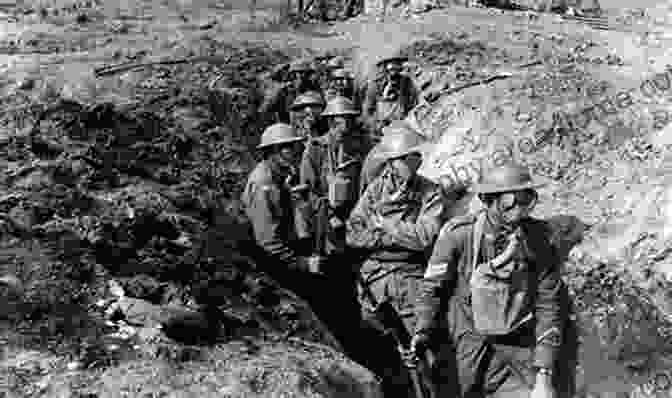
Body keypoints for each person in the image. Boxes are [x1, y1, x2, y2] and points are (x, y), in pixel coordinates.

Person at [410, 162, 566, 398]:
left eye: (527, 198)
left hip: (516, 340)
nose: (520, 208)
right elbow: (432, 288)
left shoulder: (538, 240)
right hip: (465, 338)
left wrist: (544, 373)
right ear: (488, 200)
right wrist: (422, 331)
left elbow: (549, 305)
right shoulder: (459, 234)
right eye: (510, 200)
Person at [345, 128, 452, 398]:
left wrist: (387, 225)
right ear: (391, 161)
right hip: (376, 277)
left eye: (415, 157)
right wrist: (391, 236)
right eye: (405, 158)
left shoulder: (430, 192)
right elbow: (353, 234)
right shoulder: (375, 190)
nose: (412, 162)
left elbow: (424, 237)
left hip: (411, 277)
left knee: (426, 352)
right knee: (379, 349)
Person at [298, 95, 368, 358]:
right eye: (340, 123)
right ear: (329, 122)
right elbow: (307, 193)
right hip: (323, 225)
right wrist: (328, 216)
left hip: (352, 223)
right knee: (329, 279)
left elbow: (364, 187)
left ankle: (359, 329)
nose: (345, 128)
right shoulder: (314, 150)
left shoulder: (357, 149)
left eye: (349, 122)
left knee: (352, 275)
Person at [241, 123, 321, 286]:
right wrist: (304, 264)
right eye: (287, 147)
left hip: (284, 255)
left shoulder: (278, 176)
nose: (294, 152)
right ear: (273, 152)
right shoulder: (264, 184)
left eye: (294, 146)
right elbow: (268, 243)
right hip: (271, 266)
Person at [362, 55, 419, 140]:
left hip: (403, 128)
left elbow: (415, 103)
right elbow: (367, 111)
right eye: (391, 66)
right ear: (385, 68)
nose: (394, 68)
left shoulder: (407, 82)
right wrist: (376, 126)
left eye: (397, 64)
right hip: (382, 132)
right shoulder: (375, 85)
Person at [260, 60, 321, 125]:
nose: (300, 76)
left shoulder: (314, 89)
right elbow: (265, 109)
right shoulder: (284, 91)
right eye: (297, 73)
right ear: (292, 75)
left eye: (304, 73)